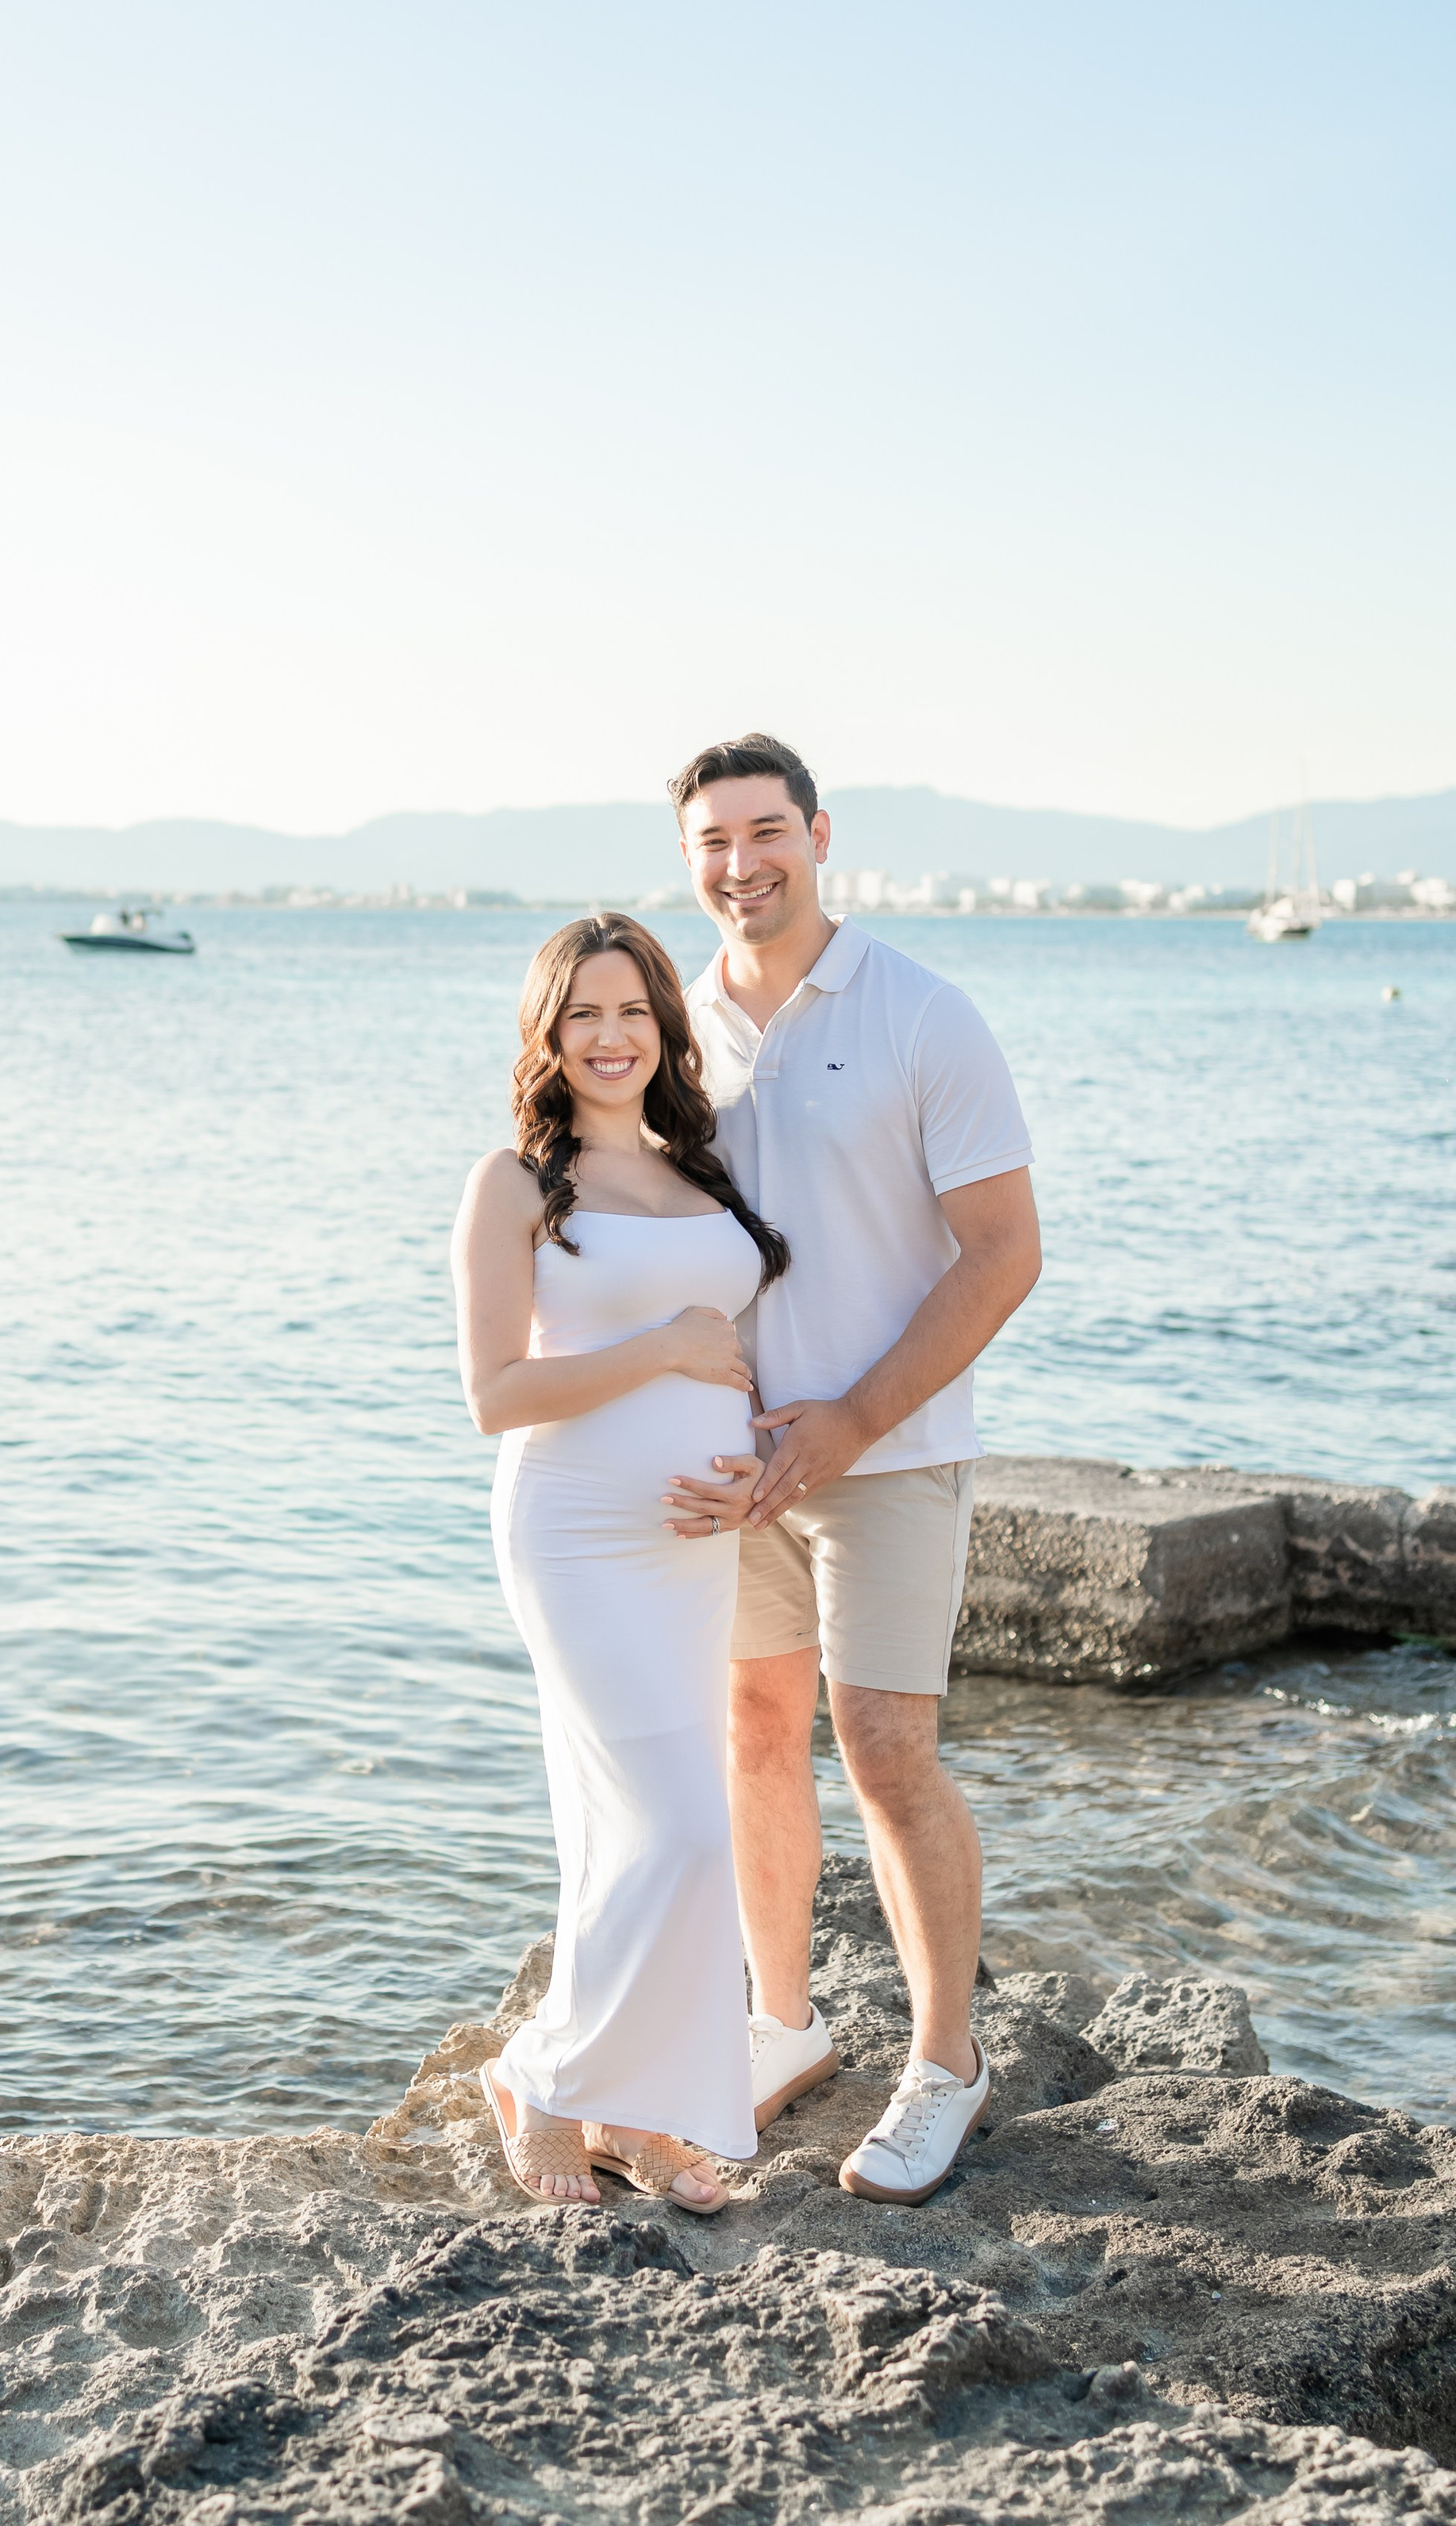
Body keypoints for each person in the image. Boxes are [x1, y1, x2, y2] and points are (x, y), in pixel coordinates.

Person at [663, 732, 1041, 2207]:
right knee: (755, 1736)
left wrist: (851, 1417)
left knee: (885, 1750)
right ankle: (784, 2022)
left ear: (820, 835)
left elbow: (1004, 1253)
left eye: (766, 831)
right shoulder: (676, 1023)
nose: (741, 862)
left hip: (890, 1452)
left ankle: (946, 2064)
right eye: (712, 840)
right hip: (728, 1461)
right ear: (687, 857)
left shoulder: (919, 1014)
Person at [451, 911, 789, 2213]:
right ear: (550, 1031)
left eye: (634, 1010)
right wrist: (662, 1350)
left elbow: (750, 1354)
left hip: (693, 1538)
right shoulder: (514, 1183)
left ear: (666, 1026)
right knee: (687, 1830)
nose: (610, 1035)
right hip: (576, 1529)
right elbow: (496, 1391)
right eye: (584, 1013)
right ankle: (542, 2076)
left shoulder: (701, 1175)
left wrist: (760, 1470)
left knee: (623, 1826)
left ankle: (637, 2110)